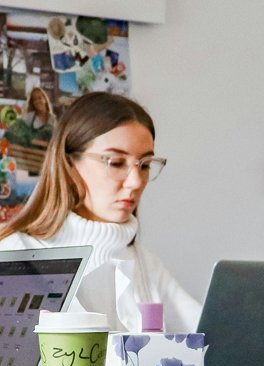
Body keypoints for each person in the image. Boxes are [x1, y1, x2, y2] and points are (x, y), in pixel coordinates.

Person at [0, 92, 201, 333]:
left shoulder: (141, 261)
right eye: (116, 162)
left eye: (145, 165)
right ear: (69, 163)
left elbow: (213, 334)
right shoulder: (13, 257)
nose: (136, 181)